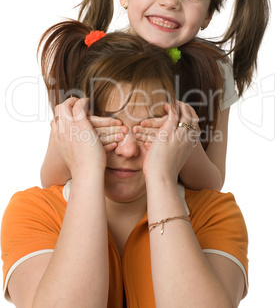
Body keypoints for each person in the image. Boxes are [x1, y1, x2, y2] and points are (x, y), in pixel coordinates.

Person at [1, 20, 248, 307]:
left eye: (148, 131)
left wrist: (162, 179)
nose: (128, 150)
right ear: (76, 128)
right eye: (109, 130)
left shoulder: (214, 214)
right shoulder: (33, 211)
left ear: (176, 130)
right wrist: (86, 172)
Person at [40, 0, 270, 192]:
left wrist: (186, 144)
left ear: (208, 14)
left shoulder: (215, 71)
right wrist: (74, 137)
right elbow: (49, 181)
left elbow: (212, 184)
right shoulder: (92, 56)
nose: (170, 1)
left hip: (174, 219)